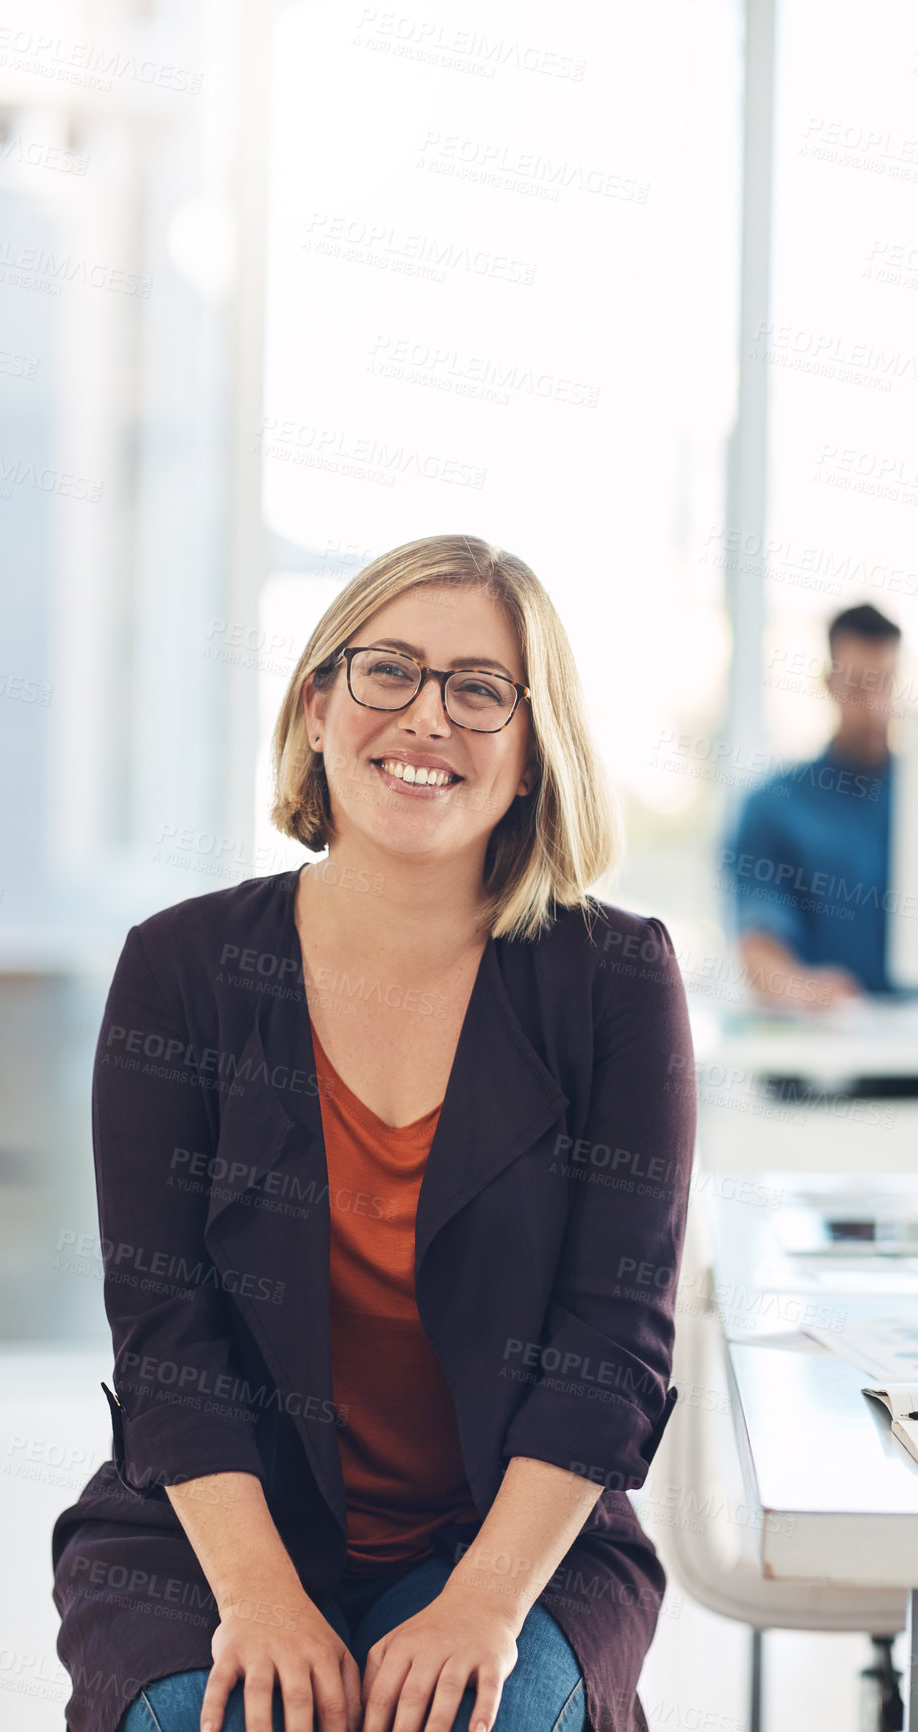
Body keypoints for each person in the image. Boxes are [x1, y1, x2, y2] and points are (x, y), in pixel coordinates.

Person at [51, 533, 698, 1732]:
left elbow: (611, 1345)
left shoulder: (614, 979)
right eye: (386, 670)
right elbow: (165, 1330)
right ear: (315, 706)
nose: (425, 716)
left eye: (478, 689)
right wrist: (260, 1598)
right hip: (217, 1535)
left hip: (513, 1539)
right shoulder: (180, 968)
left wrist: (482, 1605)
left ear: (528, 751)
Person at [723, 603, 900, 1010]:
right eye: (859, 688)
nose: (875, 708)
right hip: (824, 1053)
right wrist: (803, 990)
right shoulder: (773, 807)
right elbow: (758, 946)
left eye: (887, 685)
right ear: (830, 684)